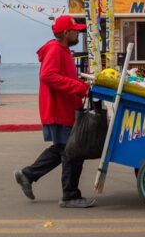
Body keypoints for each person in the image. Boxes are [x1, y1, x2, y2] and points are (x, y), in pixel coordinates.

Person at [14, 15, 94, 208]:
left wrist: (81, 83)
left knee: (62, 149)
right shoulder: (55, 50)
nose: (78, 33)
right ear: (66, 33)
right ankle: (70, 195)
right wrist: (79, 87)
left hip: (63, 108)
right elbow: (48, 75)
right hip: (59, 109)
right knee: (72, 152)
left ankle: (28, 175)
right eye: (75, 31)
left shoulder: (62, 50)